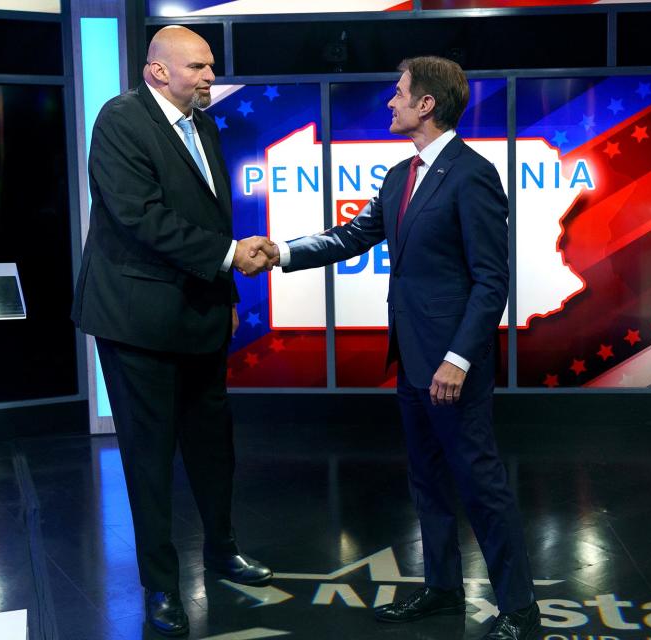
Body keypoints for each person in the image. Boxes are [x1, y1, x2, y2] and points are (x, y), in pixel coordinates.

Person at [272, 57, 540, 640]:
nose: (389, 102)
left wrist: (459, 358)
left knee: (481, 484)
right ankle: (443, 589)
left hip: (452, 366)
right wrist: (281, 252)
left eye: (398, 93)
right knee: (427, 481)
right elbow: (351, 236)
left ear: (427, 105)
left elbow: (492, 280)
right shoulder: (400, 176)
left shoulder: (473, 175)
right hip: (412, 358)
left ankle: (520, 608)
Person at [71, 25, 275, 638]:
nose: (211, 76)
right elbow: (142, 220)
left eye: (211, 66)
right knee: (149, 458)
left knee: (214, 447)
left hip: (201, 314)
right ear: (157, 70)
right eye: (198, 67)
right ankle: (161, 585)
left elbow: (212, 214)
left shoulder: (201, 120)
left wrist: (227, 290)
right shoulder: (120, 120)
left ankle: (222, 550)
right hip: (137, 321)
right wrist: (230, 257)